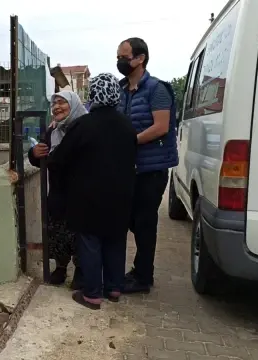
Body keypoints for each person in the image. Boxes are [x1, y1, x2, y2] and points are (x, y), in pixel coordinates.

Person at [47, 73, 137, 309]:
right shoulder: (127, 124)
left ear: (94, 94)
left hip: (89, 197)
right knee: (116, 240)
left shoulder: (83, 125)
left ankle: (92, 295)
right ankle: (115, 288)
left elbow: (59, 158)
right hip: (122, 195)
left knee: (90, 242)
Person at [116, 37, 178, 294]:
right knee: (130, 218)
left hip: (151, 169)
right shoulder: (120, 89)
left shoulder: (156, 89)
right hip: (128, 168)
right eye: (118, 56)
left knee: (144, 221)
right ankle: (138, 271)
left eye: (124, 56)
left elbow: (161, 127)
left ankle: (143, 277)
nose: (120, 61)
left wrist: (131, 142)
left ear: (140, 58)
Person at [28, 90, 87, 286]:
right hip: (58, 192)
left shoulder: (85, 128)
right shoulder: (53, 131)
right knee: (58, 231)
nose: (56, 107)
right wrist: (34, 153)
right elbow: (42, 160)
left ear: (74, 105)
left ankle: (81, 269)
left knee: (80, 233)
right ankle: (61, 267)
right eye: (54, 104)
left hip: (81, 193)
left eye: (62, 102)